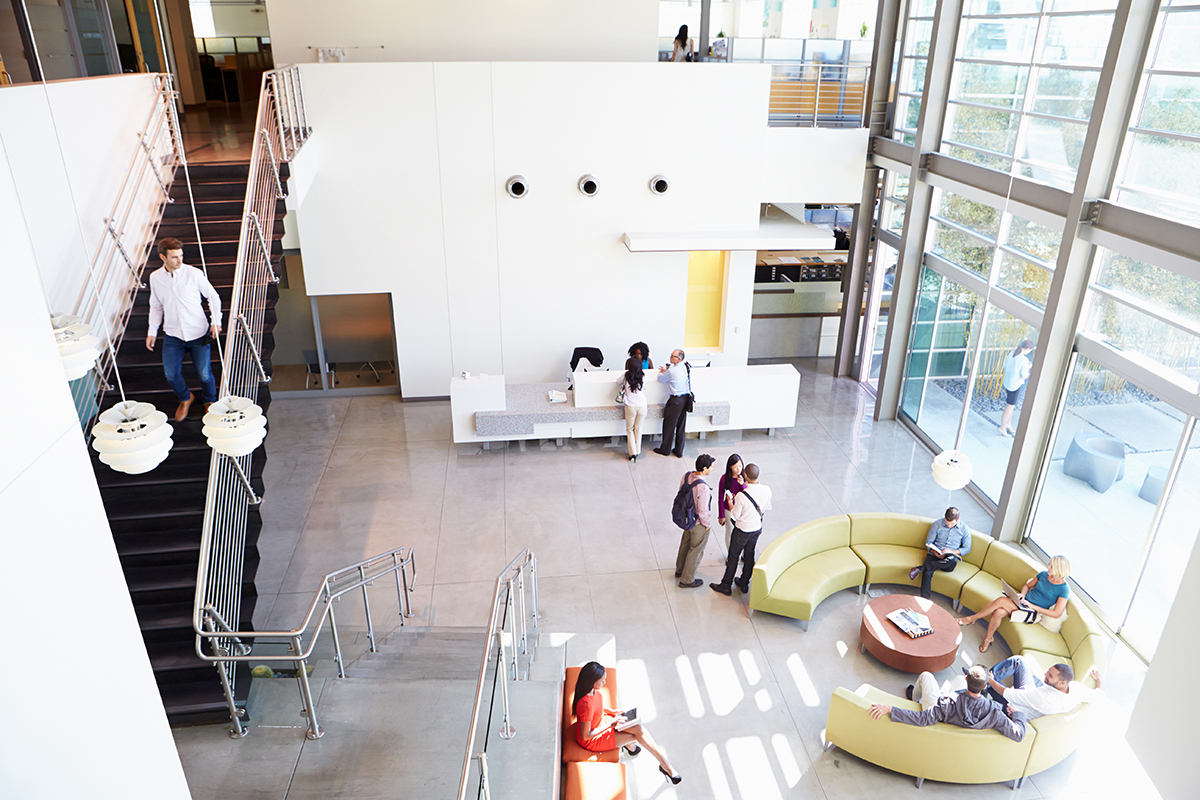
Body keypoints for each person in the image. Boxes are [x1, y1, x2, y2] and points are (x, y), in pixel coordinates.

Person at [145, 237, 222, 422]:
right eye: (174, 257)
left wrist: (216, 321)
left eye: (181, 256)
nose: (180, 261)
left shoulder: (194, 273)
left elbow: (213, 297)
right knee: (171, 374)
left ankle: (210, 401)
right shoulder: (155, 277)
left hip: (198, 333)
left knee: (204, 373)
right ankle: (186, 398)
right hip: (173, 334)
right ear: (163, 257)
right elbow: (155, 306)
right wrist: (152, 332)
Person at [573, 661, 682, 784]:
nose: (605, 682)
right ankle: (643, 754)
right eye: (602, 680)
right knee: (636, 736)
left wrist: (612, 711)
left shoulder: (591, 690)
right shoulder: (585, 704)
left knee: (639, 730)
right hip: (592, 740)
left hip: (600, 722)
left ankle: (664, 765)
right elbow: (586, 736)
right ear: (592, 681)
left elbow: (596, 707)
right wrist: (611, 723)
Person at [868, 665, 1028, 742]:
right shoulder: (994, 712)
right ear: (985, 687)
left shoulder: (946, 702)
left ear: (968, 680)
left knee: (926, 675)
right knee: (955, 679)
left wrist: (890, 708)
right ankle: (923, 696)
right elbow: (1019, 734)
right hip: (960, 713)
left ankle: (915, 698)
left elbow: (922, 719)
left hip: (945, 712)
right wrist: (1018, 714)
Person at [958, 555, 1072, 654]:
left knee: (1002, 601)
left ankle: (972, 618)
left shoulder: (1064, 589)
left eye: (1051, 566)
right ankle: (988, 639)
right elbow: (1027, 586)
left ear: (1059, 569)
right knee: (998, 612)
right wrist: (1022, 595)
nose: (1048, 567)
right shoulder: (1043, 575)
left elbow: (1056, 613)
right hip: (1023, 603)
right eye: (1049, 564)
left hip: (1033, 613)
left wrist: (1032, 606)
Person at [711, 463, 771, 596]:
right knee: (749, 555)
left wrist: (730, 501)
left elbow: (735, 515)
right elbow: (767, 506)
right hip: (756, 529)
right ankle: (744, 583)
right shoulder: (766, 490)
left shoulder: (742, 496)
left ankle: (726, 585)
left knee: (733, 556)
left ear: (745, 476)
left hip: (742, 530)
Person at [982, 655, 1104, 719]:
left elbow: (1008, 694)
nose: (1045, 675)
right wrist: (1099, 680)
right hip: (1032, 695)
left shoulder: (1043, 698)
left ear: (1062, 683)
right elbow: (1099, 696)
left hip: (1016, 708)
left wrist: (990, 680)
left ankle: (980, 679)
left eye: (1050, 675)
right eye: (1048, 671)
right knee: (1019, 661)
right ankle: (982, 679)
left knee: (993, 685)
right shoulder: (1077, 689)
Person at [907, 507, 971, 600]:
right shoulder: (937, 524)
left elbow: (967, 548)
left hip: (949, 558)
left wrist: (951, 552)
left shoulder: (964, 529)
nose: (949, 525)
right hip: (934, 553)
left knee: (952, 562)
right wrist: (934, 552)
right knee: (927, 573)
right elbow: (929, 542)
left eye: (951, 524)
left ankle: (920, 568)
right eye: (947, 522)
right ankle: (925, 599)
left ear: (958, 520)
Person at [675, 454, 715, 588]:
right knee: (696, 550)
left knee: (685, 543)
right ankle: (687, 579)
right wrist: (707, 525)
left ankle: (679, 570)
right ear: (704, 469)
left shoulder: (686, 476)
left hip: (686, 519)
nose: (711, 469)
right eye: (711, 467)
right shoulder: (702, 487)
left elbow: (681, 492)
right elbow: (702, 511)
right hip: (697, 523)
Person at [654, 349, 691, 458]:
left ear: (678, 359)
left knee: (669, 426)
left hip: (675, 401)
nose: (670, 357)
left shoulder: (672, 371)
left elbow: (661, 379)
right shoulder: (685, 367)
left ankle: (665, 449)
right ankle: (679, 450)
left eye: (673, 356)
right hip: (685, 399)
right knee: (681, 426)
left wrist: (662, 372)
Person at [1000, 340, 1035, 437]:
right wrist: (1028, 368)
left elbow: (1006, 367)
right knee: (1010, 406)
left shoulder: (1011, 354)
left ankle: (1008, 424)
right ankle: (1002, 427)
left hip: (1007, 382)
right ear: (1027, 349)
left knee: (1010, 405)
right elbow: (1023, 376)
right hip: (1015, 385)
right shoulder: (1024, 360)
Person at [716, 454, 745, 564]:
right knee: (730, 531)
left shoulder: (744, 477)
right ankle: (731, 555)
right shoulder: (724, 478)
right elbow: (720, 496)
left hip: (742, 509)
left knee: (743, 531)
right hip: (729, 509)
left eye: (740, 466)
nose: (738, 469)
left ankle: (742, 554)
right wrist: (721, 515)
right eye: (735, 467)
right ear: (730, 467)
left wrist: (742, 485)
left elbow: (748, 492)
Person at [619, 358, 648, 462]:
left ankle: (632, 454)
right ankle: (637, 451)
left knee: (630, 429)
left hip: (630, 406)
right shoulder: (644, 376)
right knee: (638, 429)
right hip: (643, 406)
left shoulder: (626, 376)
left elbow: (617, 381)